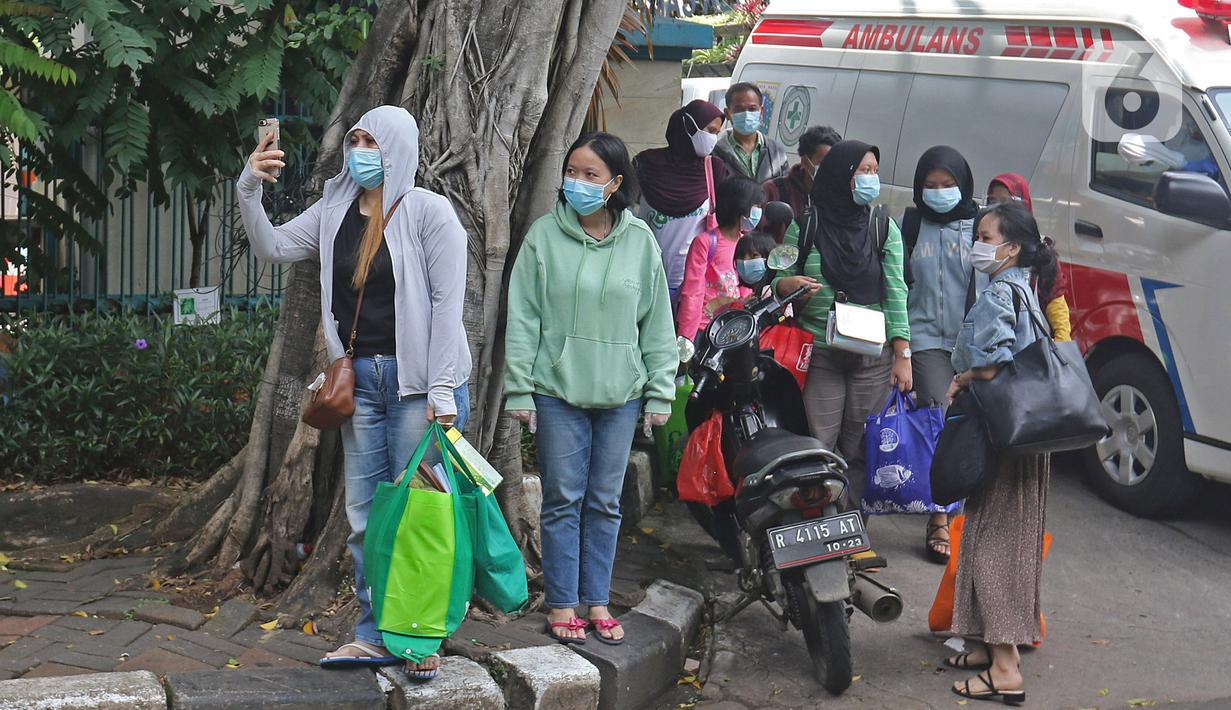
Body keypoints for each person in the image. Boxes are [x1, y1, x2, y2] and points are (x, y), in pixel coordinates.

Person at [239, 106, 471, 678]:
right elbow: (271, 246)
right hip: (360, 382)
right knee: (366, 515)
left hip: (422, 388)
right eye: (354, 140)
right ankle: (372, 633)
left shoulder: (428, 213)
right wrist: (248, 185)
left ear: (397, 147)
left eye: (371, 141)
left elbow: (448, 308)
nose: (360, 151)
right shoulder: (336, 208)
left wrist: (443, 392)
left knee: (418, 513)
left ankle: (419, 636)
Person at [504, 132, 677, 646]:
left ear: (616, 184)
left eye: (590, 175)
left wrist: (660, 391)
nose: (576, 183)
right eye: (571, 172)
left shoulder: (640, 240)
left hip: (622, 396)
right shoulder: (542, 237)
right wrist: (518, 390)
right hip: (557, 393)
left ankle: (598, 600)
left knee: (605, 501)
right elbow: (524, 318)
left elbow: (657, 322)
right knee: (562, 500)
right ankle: (562, 604)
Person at [942, 201, 1057, 705]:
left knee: (991, 547)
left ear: (1009, 248)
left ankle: (1006, 667)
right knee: (1008, 543)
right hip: (1028, 437)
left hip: (1004, 439)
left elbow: (990, 367)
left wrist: (960, 378)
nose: (978, 244)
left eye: (986, 236)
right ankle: (991, 648)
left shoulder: (999, 293)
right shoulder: (1027, 290)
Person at [772, 139, 912, 506]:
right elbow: (777, 275)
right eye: (863, 171)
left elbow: (896, 292)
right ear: (840, 175)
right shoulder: (805, 225)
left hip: (873, 357)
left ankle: (851, 529)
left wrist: (903, 353)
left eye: (874, 171)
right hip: (821, 353)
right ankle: (817, 525)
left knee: (861, 444)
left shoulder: (884, 227)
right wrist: (786, 284)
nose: (871, 179)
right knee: (819, 442)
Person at [903, 146, 983, 564]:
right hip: (926, 340)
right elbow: (898, 280)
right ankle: (938, 517)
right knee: (939, 414)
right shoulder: (913, 223)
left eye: (947, 185)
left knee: (974, 427)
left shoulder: (980, 225)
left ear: (963, 184)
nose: (939, 193)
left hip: (973, 341)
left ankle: (971, 515)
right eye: (930, 186)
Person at [634, 100, 729, 305]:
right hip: (642, 278)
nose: (712, 138)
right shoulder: (646, 164)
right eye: (709, 130)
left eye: (716, 132)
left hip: (694, 284)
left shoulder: (714, 169)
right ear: (687, 126)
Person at [986, 173, 1071, 341]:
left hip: (1030, 354)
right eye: (992, 202)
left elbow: (1056, 307)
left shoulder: (1041, 254)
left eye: (1004, 202)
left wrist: (1061, 345)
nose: (997, 210)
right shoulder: (983, 249)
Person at [676, 176, 761, 340]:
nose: (759, 212)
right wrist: (686, 338)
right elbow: (692, 293)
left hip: (733, 329)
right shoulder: (705, 242)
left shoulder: (746, 243)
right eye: (756, 206)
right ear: (741, 206)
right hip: (704, 328)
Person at [714, 82, 790, 184]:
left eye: (752, 109)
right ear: (727, 113)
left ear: (761, 112)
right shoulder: (715, 153)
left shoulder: (776, 152)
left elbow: (785, 190)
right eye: (739, 109)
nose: (746, 114)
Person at [762, 125, 842, 217]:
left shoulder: (838, 198)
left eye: (835, 164)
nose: (831, 169)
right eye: (824, 164)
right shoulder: (775, 190)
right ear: (804, 161)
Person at [734, 231, 778, 297]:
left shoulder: (772, 294)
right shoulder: (736, 292)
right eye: (741, 256)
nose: (745, 260)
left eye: (754, 255)